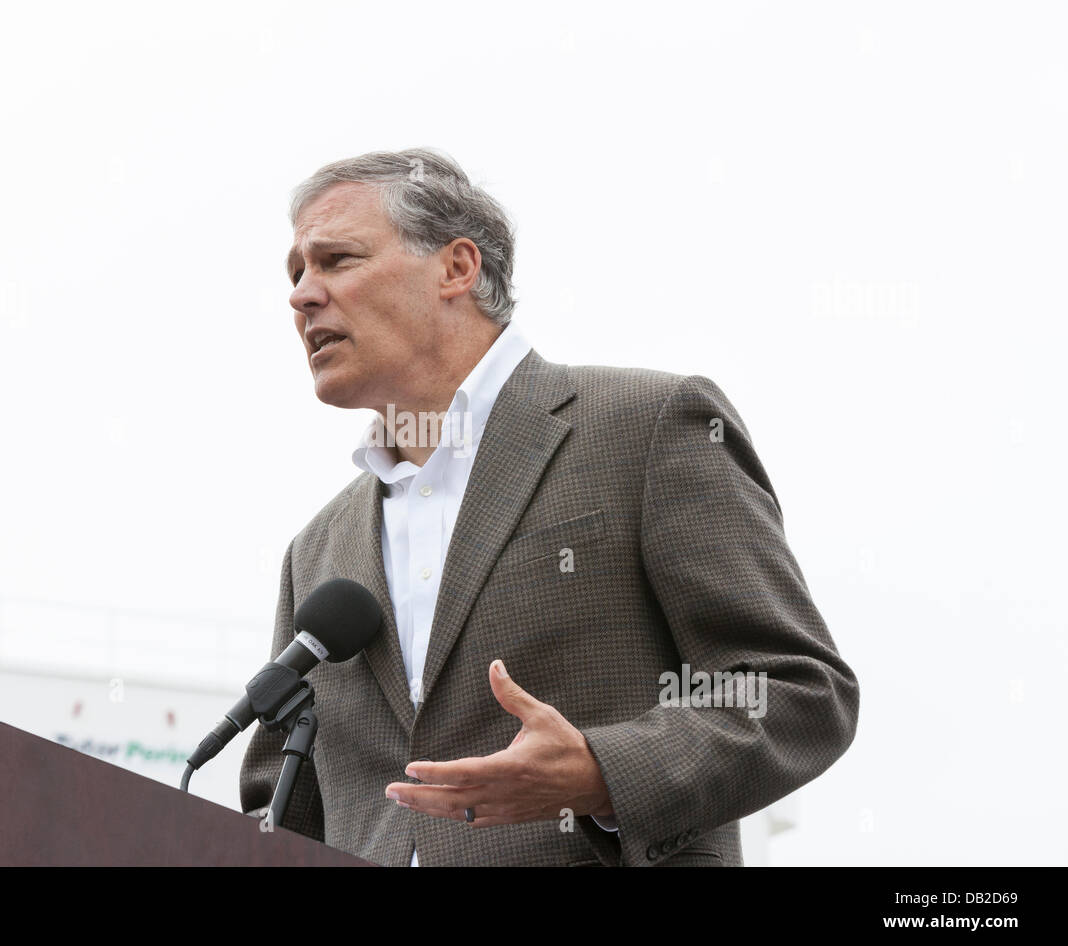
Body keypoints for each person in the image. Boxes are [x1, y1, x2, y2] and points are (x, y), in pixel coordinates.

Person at [238, 148, 858, 866]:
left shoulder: (647, 426)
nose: (301, 296)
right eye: (295, 273)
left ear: (456, 268)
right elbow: (280, 805)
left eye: (336, 260)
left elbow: (797, 691)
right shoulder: (315, 554)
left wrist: (601, 773)